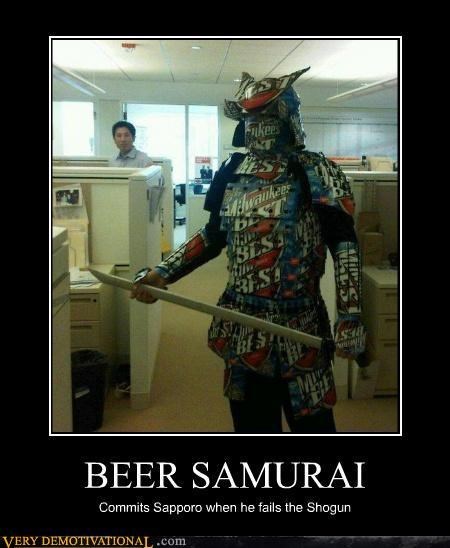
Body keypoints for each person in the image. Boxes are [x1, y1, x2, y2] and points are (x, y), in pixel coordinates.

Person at [131, 67, 366, 434]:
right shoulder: (232, 169)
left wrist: (350, 315)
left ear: (287, 118)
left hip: (300, 322)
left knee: (314, 425)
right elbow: (213, 235)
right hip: (242, 323)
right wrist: (164, 272)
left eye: (266, 116)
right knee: (252, 424)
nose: (257, 126)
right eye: (250, 117)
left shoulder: (316, 170)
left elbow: (345, 245)